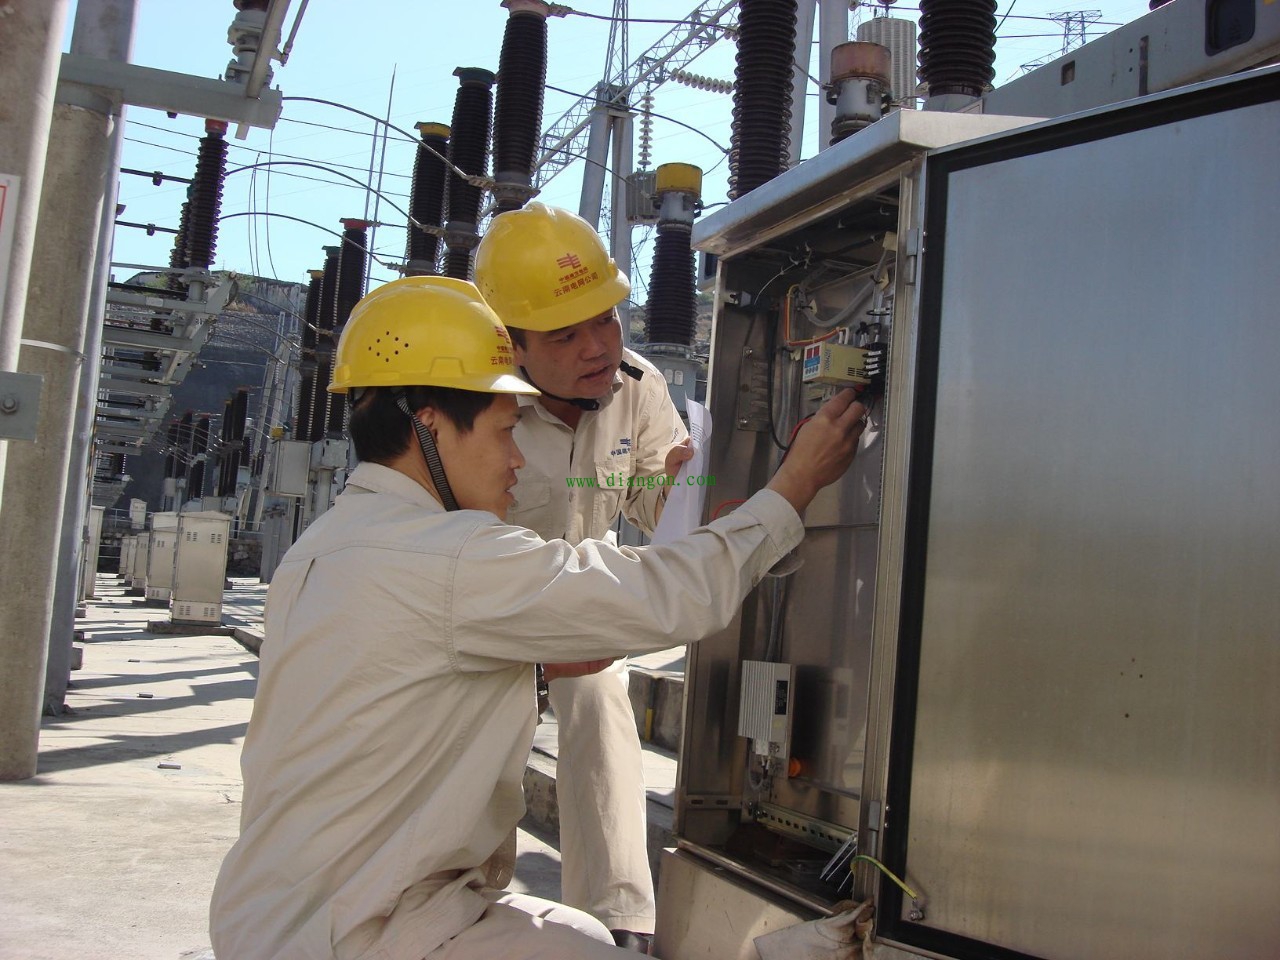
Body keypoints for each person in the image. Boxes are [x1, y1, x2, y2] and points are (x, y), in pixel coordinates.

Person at [208, 275, 867, 960]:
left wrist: (534, 666)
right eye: (502, 431)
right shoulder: (451, 556)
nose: (516, 458)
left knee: (579, 932)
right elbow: (667, 595)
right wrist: (794, 486)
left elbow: (396, 679)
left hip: (294, 910)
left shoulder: (330, 545)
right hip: (362, 930)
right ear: (429, 420)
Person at [473, 204, 690, 949]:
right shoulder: (477, 403)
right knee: (479, 734)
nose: (599, 346)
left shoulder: (636, 387)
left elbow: (660, 506)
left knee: (601, 702)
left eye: (606, 318)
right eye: (566, 334)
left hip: (578, 605)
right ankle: (470, 904)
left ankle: (616, 921)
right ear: (514, 346)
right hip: (483, 611)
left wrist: (698, 490)